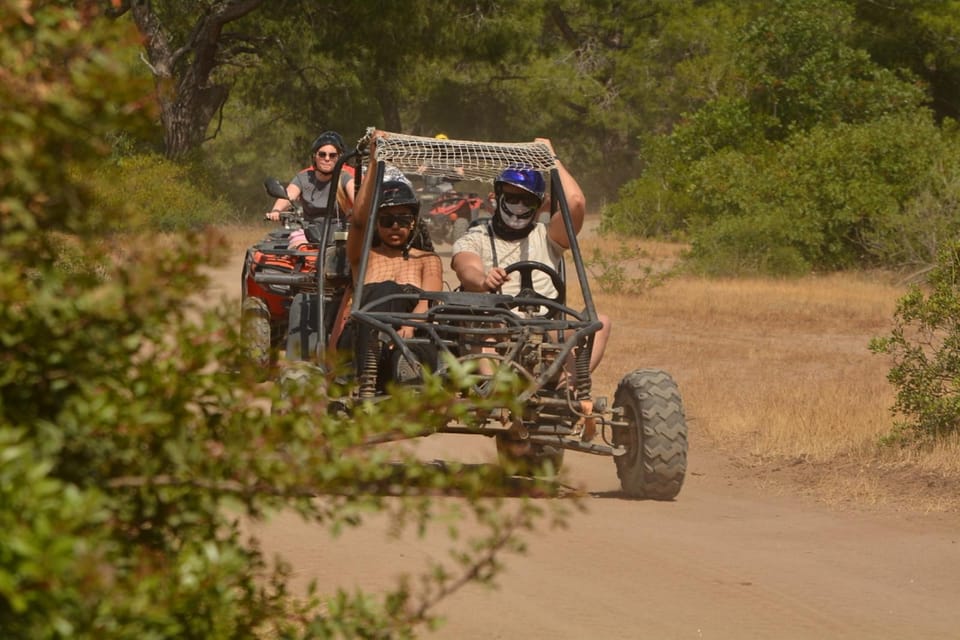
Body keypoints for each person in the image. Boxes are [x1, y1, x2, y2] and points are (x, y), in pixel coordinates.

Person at [451, 138, 611, 374]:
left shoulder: (547, 236)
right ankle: (495, 393)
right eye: (512, 198)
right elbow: (467, 269)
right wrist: (484, 280)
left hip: (545, 328)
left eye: (526, 200)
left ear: (539, 204)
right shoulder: (477, 237)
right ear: (496, 197)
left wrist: (551, 157)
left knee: (601, 323)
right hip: (495, 330)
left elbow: (575, 203)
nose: (518, 206)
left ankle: (572, 390)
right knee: (485, 327)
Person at [265, 131, 356, 248]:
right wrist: (276, 211)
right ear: (315, 156)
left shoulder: (345, 178)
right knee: (299, 248)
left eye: (332, 155)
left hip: (341, 233)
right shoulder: (303, 178)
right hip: (308, 232)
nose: (327, 159)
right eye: (322, 154)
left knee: (350, 255)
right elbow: (288, 196)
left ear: (339, 158)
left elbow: (357, 199)